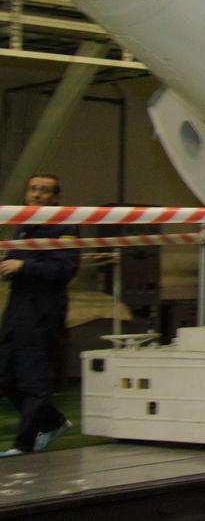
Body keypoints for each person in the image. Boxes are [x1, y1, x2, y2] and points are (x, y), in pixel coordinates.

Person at [0, 174, 78, 457]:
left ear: (55, 198)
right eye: (33, 189)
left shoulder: (65, 226)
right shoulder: (22, 225)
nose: (37, 195)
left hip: (43, 311)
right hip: (16, 309)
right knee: (5, 376)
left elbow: (66, 269)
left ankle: (24, 444)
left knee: (34, 380)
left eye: (44, 191)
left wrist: (23, 267)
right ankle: (53, 421)